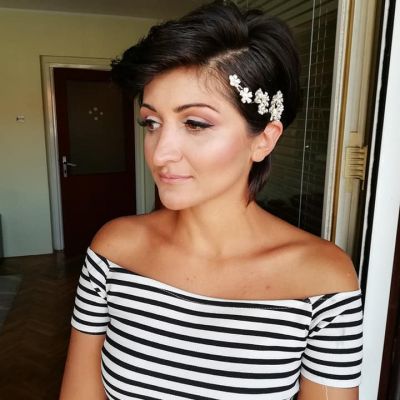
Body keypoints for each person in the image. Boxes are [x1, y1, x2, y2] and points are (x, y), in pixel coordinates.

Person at [59, 1, 363, 399]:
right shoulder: (115, 249)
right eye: (151, 122)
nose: (160, 153)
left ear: (264, 139)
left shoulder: (322, 278)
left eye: (195, 123)